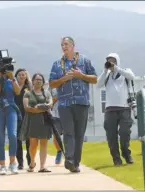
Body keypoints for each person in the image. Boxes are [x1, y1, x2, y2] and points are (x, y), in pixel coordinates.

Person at [49, 36, 97, 173]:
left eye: (66, 44)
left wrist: (81, 75)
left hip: (82, 102)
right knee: (69, 132)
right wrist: (64, 78)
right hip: (64, 103)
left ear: (73, 46)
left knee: (79, 134)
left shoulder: (84, 61)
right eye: (62, 45)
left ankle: (75, 163)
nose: (63, 47)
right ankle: (69, 159)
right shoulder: (57, 64)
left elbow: (94, 79)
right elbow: (52, 83)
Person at [96, 53, 135, 166]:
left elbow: (131, 77)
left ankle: (126, 154)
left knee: (125, 133)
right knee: (111, 137)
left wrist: (117, 68)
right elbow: (98, 84)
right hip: (110, 110)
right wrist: (105, 70)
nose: (111, 63)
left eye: (113, 61)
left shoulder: (125, 71)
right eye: (109, 61)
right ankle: (116, 159)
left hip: (124, 108)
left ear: (117, 61)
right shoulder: (107, 75)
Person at [0, 69, 21, 175]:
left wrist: (13, 78)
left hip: (11, 109)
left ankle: (13, 163)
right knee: (0, 138)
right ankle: (2, 165)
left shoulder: (11, 80)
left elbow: (17, 91)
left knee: (13, 135)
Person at [21, 73, 53, 173]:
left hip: (45, 121)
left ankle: (42, 166)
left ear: (43, 82)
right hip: (32, 121)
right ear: (33, 81)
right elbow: (27, 108)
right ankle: (32, 161)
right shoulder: (28, 93)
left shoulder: (47, 93)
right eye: (36, 79)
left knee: (44, 143)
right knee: (33, 144)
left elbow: (50, 104)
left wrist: (38, 108)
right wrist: (40, 109)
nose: (38, 81)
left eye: (40, 79)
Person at [14, 68, 32, 170]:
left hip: (27, 115)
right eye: (20, 74)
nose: (21, 76)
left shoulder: (28, 87)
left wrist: (29, 79)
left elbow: (33, 93)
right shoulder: (14, 87)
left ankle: (30, 161)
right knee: (17, 140)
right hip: (16, 115)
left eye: (23, 75)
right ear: (16, 76)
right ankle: (20, 162)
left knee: (29, 140)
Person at [48, 87, 63, 165]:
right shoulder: (52, 86)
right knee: (56, 137)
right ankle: (59, 151)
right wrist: (54, 99)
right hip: (55, 114)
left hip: (67, 114)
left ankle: (70, 156)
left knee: (70, 135)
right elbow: (48, 99)